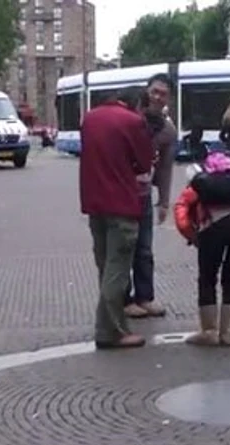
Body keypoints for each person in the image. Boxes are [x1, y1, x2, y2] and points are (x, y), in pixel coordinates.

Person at [80, 85, 155, 349]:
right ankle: (110, 331)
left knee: (104, 266)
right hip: (122, 203)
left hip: (94, 202)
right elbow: (144, 163)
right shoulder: (133, 121)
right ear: (138, 104)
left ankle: (113, 324)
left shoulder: (90, 118)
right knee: (117, 270)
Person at [174, 151, 230, 346]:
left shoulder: (201, 183)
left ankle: (209, 331)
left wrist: (193, 236)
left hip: (213, 227)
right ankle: (229, 333)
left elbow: (181, 213)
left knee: (207, 277)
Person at [123, 73, 177, 319]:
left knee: (144, 249)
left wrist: (164, 202)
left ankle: (145, 297)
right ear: (146, 92)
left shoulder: (167, 130)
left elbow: (165, 168)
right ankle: (123, 299)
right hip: (121, 192)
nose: (157, 97)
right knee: (123, 247)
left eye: (163, 94)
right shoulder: (129, 119)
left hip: (143, 194)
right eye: (154, 91)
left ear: (169, 99)